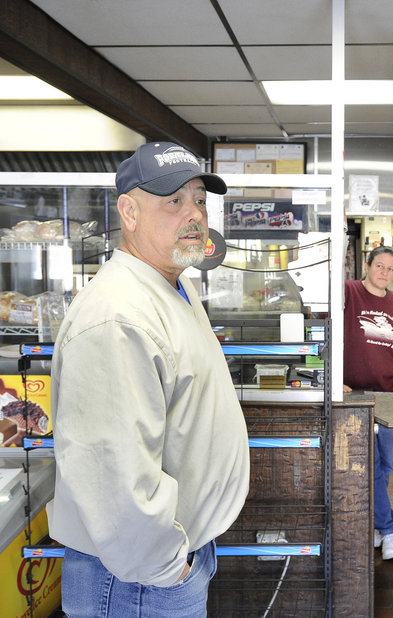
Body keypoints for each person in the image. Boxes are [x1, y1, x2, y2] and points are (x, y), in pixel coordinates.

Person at [47, 142, 250, 617]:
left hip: (161, 565)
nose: (194, 214)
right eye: (173, 201)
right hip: (137, 581)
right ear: (129, 212)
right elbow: (112, 476)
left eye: (199, 199)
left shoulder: (170, 286)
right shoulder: (118, 316)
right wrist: (167, 568)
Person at [342, 246, 393, 560]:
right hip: (355, 397)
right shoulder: (349, 291)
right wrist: (335, 378)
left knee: (383, 465)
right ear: (368, 266)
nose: (384, 272)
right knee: (370, 465)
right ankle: (390, 529)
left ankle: (374, 524)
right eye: (379, 266)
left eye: (390, 269)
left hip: (391, 395)